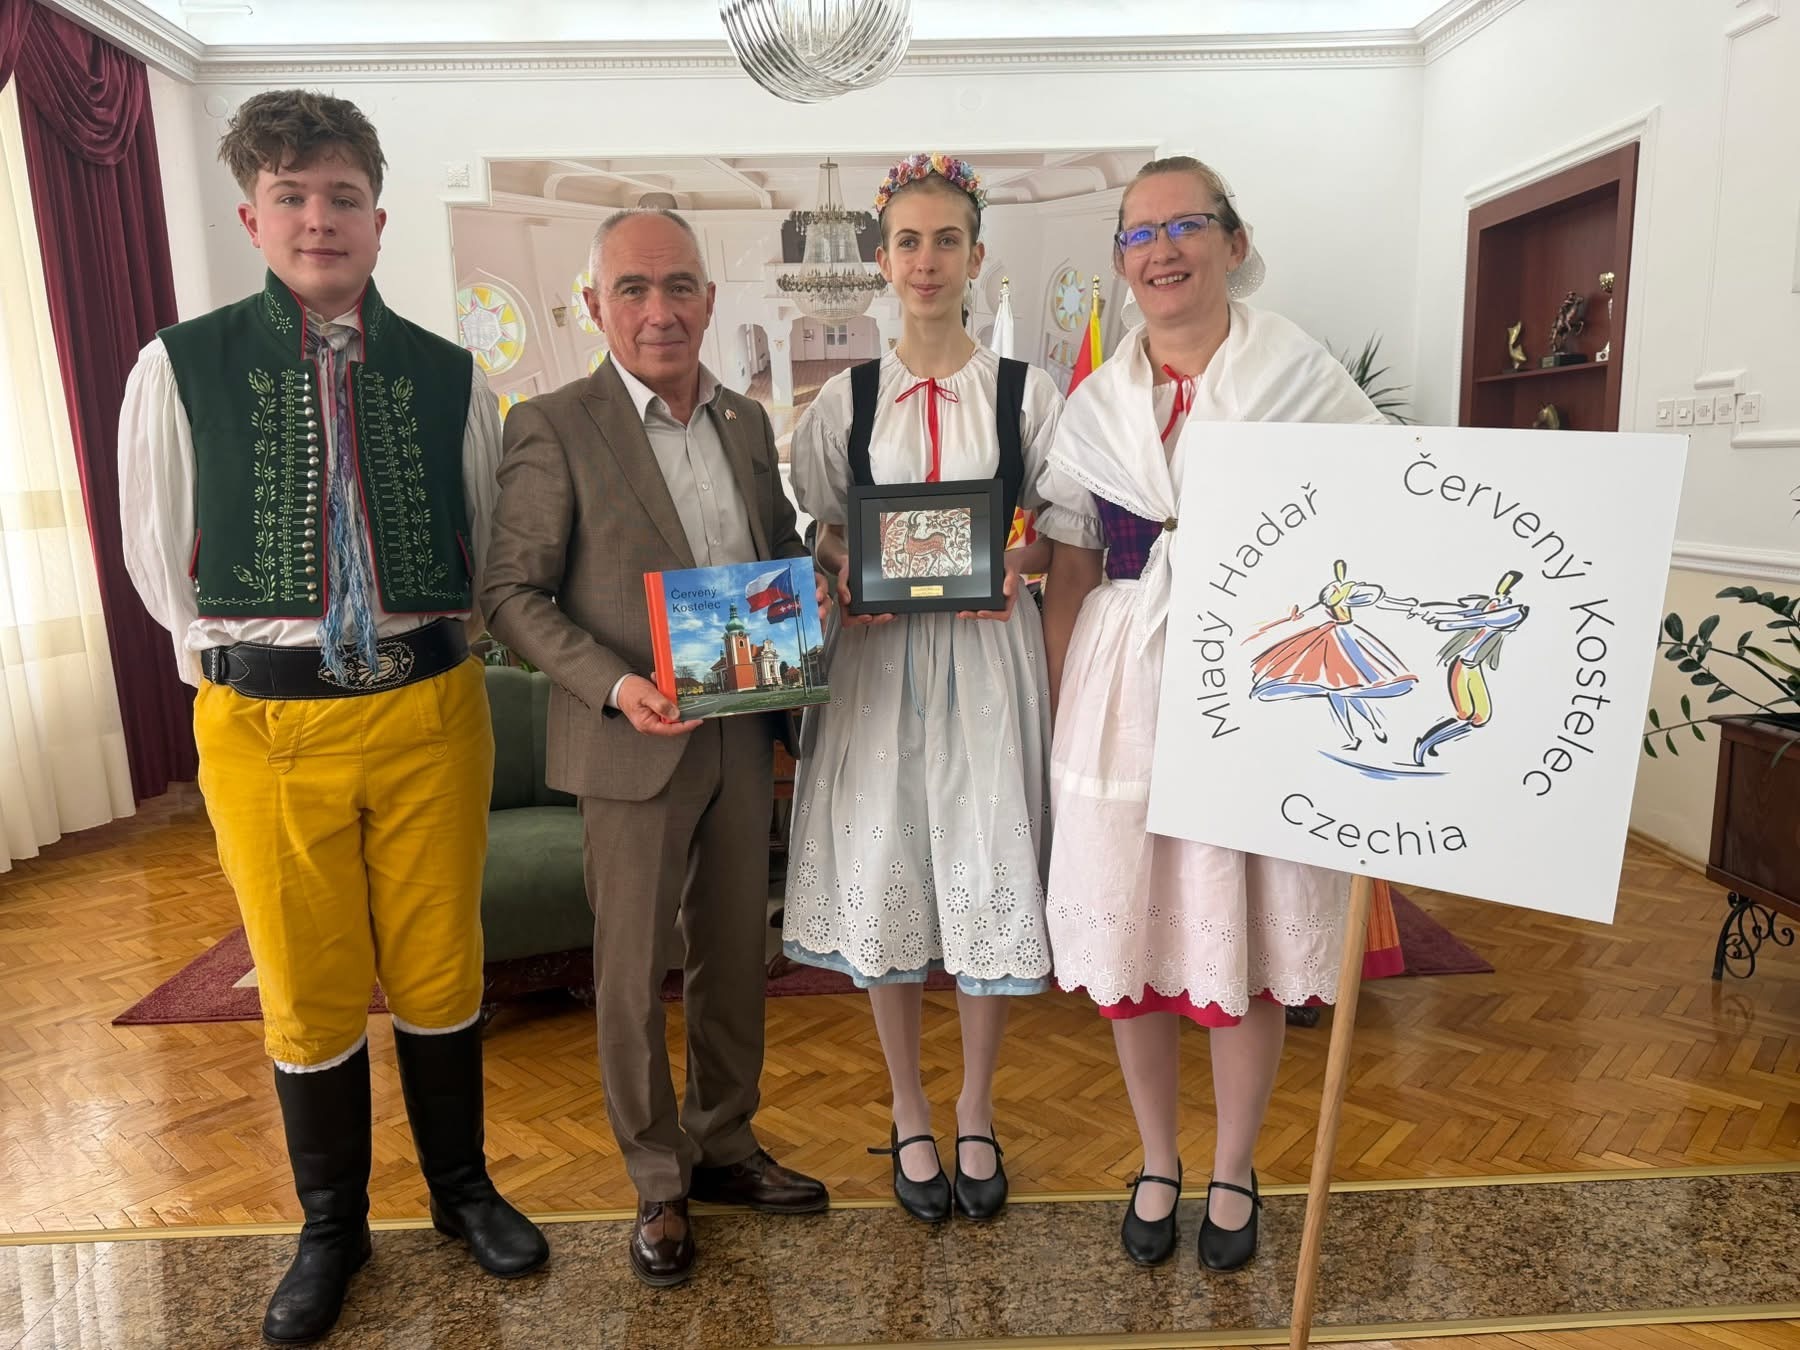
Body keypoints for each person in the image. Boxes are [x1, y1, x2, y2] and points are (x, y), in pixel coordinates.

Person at [117, 91, 546, 1345]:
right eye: (292, 196)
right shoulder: (178, 365)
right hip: (268, 724)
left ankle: (461, 1190)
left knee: (442, 961)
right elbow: (157, 556)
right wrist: (239, 669)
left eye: (343, 196)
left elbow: (481, 542)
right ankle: (332, 1227)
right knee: (304, 985)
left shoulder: (452, 374)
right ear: (252, 217)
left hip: (431, 709)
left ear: (378, 218)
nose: (319, 219)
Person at [1036, 155, 1385, 1272]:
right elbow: (1072, 568)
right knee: (1130, 929)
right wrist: (1064, 713)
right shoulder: (1095, 407)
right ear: (1121, 262)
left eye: (1185, 226)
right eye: (1139, 234)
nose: (1162, 250)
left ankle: (1234, 1166)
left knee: (1249, 925)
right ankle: (1157, 1157)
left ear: (1234, 243)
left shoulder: (1302, 378)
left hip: (1260, 678)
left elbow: (1377, 524)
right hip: (1124, 690)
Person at [481, 207, 828, 1289]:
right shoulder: (553, 424)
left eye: (678, 286)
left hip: (743, 731)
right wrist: (613, 684)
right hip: (629, 740)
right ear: (595, 305)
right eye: (632, 289)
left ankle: (725, 1143)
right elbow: (510, 594)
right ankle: (658, 1179)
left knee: (735, 954)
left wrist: (818, 584)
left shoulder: (744, 420)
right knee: (630, 972)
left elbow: (774, 550)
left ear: (709, 301)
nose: (659, 310)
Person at [780, 153, 1061, 1224]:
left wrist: (1013, 566)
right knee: (885, 860)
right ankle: (907, 1106)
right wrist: (844, 567)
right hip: (879, 662)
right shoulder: (844, 401)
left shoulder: (1025, 392)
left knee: (987, 863)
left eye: (948, 240)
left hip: (987, 659)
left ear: (976, 257)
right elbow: (823, 530)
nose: (928, 260)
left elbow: (1058, 537)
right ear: (883, 260)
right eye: (908, 241)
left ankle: (977, 1107)